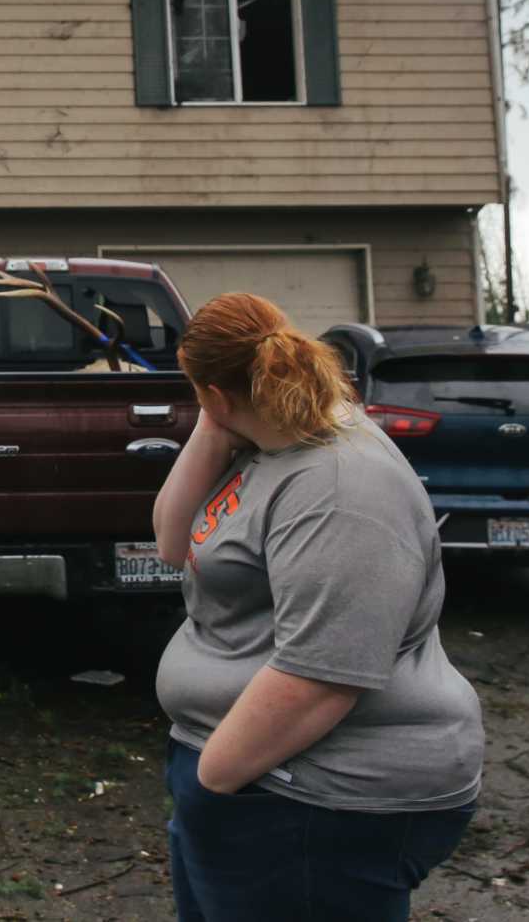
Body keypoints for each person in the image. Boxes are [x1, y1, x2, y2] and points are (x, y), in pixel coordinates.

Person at [151, 292, 483, 921]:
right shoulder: (260, 441)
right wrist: (212, 423)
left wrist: (214, 782)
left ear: (217, 392)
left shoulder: (338, 488)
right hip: (251, 774)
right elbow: (173, 543)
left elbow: (323, 676)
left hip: (316, 796)